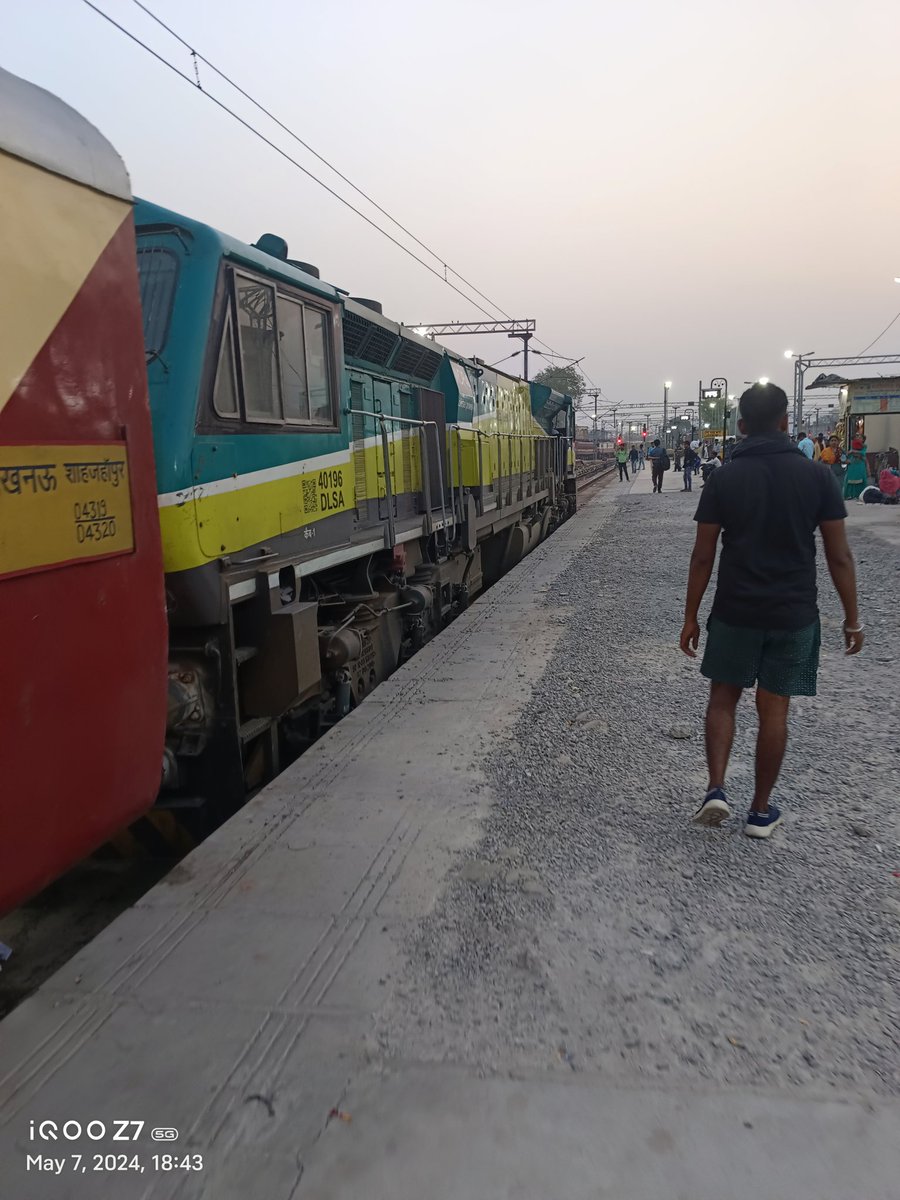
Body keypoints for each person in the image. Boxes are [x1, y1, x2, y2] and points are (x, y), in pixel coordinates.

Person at [680, 382, 863, 838]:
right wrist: (851, 617)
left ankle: (717, 789)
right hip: (793, 612)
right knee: (774, 710)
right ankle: (760, 812)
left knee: (723, 698)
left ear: (741, 426)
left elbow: (703, 556)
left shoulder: (724, 478)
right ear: (786, 422)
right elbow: (839, 556)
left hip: (735, 609)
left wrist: (690, 617)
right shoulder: (817, 477)